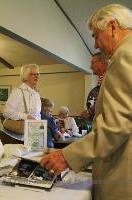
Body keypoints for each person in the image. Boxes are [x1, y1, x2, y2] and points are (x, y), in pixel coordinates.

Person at [40, 4, 132, 200]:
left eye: (96, 36)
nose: (96, 45)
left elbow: (116, 126)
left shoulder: (125, 54)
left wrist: (66, 156)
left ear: (113, 27)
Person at [81, 52, 107, 121]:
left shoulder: (107, 77)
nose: (90, 66)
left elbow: (103, 102)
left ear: (102, 62)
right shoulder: (102, 78)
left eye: (93, 63)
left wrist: (89, 112)